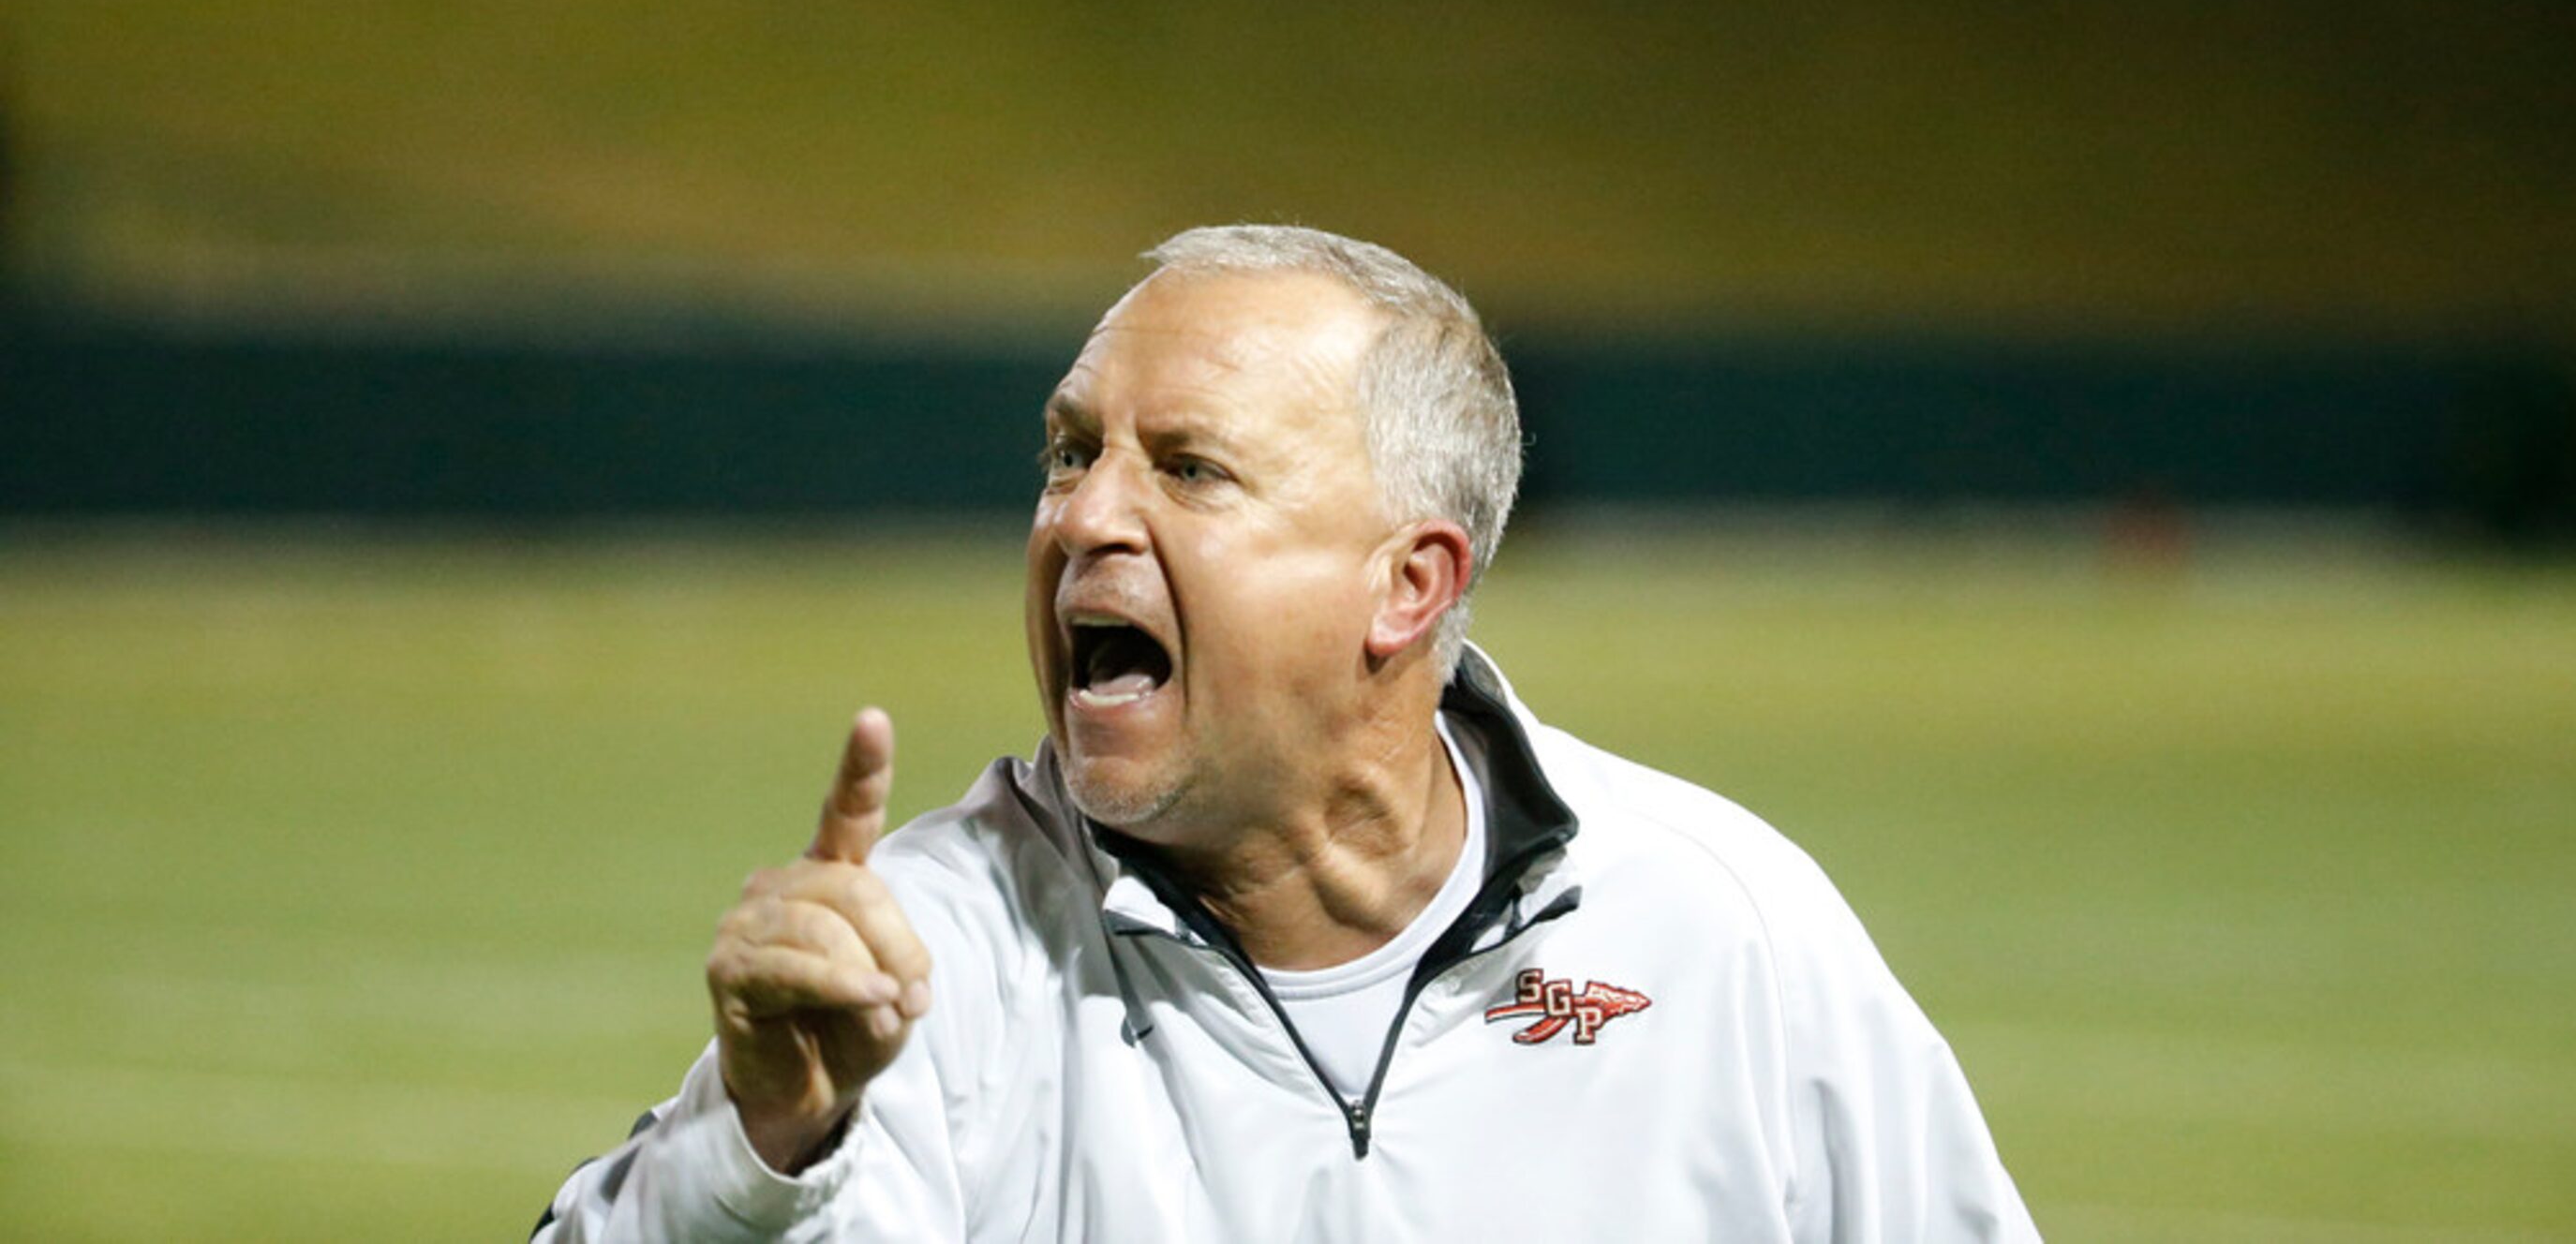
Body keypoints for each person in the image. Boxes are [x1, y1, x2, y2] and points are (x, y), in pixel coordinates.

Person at [534, 224, 2038, 1241]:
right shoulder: (928, 971)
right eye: (1070, 452)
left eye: (1187, 468)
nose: (1082, 516)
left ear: (1409, 583)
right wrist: (755, 1153)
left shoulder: (1719, 927)